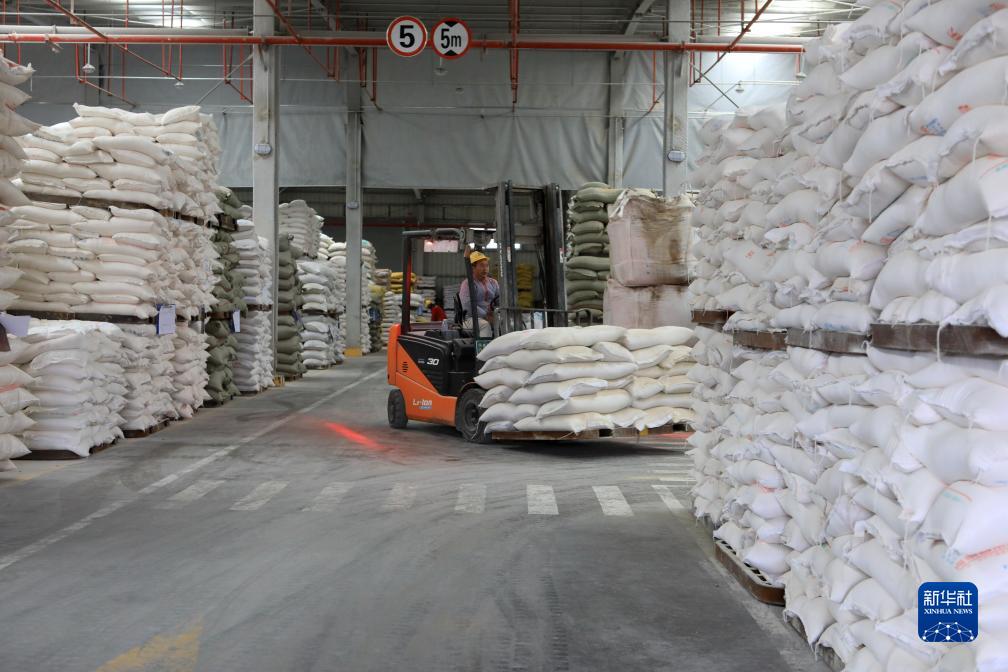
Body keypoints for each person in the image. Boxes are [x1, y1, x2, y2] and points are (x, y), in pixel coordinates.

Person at [459, 249, 499, 337]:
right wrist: (485, 315)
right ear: (473, 268)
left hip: (491, 316)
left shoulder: (493, 283)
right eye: (481, 266)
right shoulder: (467, 284)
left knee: (507, 323)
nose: (485, 269)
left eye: (487, 265)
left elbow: (499, 300)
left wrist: (496, 313)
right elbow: (467, 306)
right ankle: (484, 346)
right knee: (485, 325)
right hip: (470, 318)